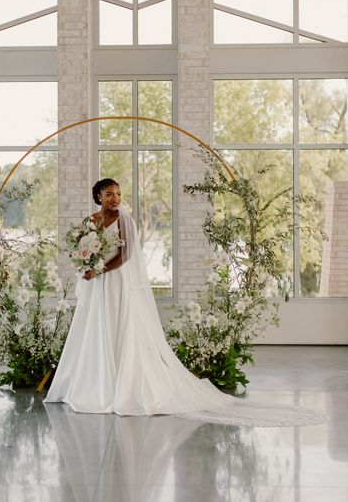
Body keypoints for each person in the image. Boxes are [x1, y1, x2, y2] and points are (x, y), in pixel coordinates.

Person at [44, 179, 327, 426]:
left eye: (118, 193)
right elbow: (80, 250)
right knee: (95, 328)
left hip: (115, 281)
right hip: (95, 285)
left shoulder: (124, 219)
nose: (115, 198)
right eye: (109, 194)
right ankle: (93, 383)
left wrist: (101, 269)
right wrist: (86, 267)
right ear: (98, 197)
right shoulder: (89, 221)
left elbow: (127, 255)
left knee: (118, 326)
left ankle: (120, 385)